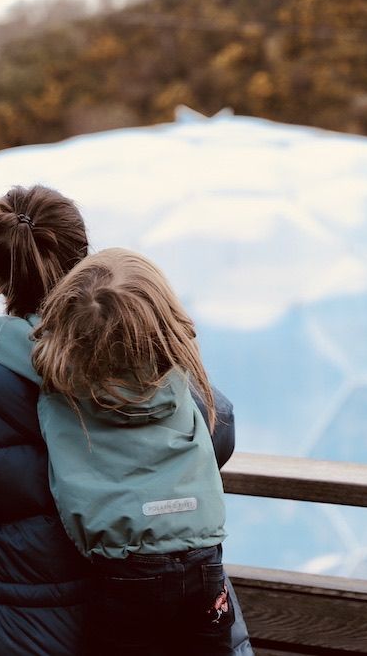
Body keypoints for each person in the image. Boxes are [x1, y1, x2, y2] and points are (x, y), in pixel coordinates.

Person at [0, 186, 252, 654]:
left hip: (14, 634)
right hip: (168, 619)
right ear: (83, 258)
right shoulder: (141, 351)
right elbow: (217, 430)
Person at [24, 247, 239, 655]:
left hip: (124, 570)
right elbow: (222, 434)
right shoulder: (178, 381)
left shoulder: (59, 384)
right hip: (203, 559)